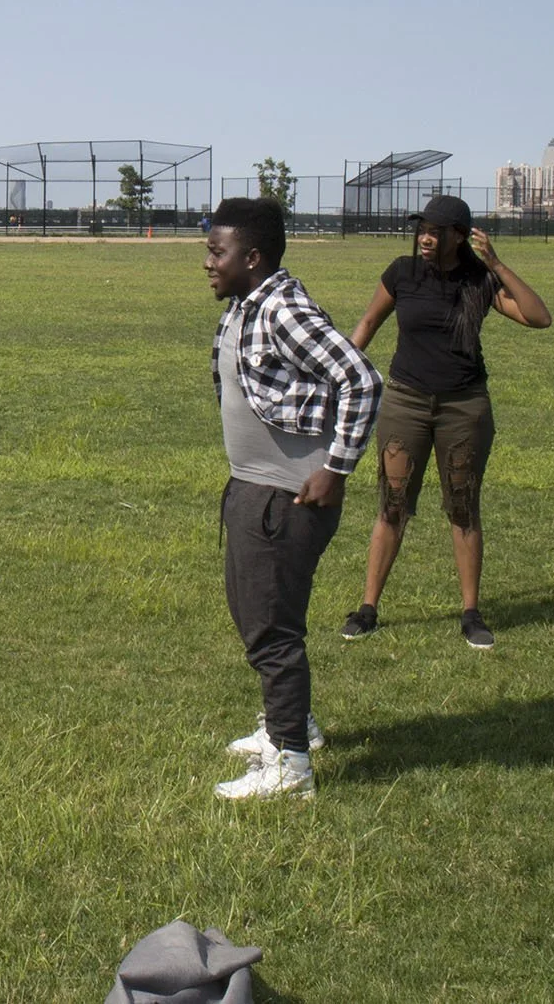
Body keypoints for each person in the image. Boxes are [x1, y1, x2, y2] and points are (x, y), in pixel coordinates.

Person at [204, 198, 381, 800]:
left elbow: (360, 378)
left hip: (287, 498)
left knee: (271, 629)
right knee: (256, 614)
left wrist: (336, 469)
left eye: (217, 252)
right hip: (254, 487)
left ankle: (291, 765)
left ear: (252, 258)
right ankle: (289, 723)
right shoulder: (245, 305)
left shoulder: (281, 308)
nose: (207, 262)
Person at [339, 195, 552, 649]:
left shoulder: (480, 281)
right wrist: (341, 372)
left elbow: (539, 317)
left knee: (462, 505)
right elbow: (369, 322)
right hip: (406, 401)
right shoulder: (402, 272)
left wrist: (497, 264)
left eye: (436, 231)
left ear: (460, 236)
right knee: (392, 503)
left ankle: (471, 613)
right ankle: (368, 608)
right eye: (422, 229)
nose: (426, 238)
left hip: (464, 407)